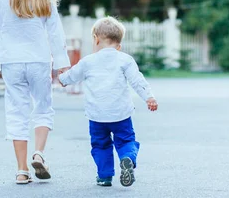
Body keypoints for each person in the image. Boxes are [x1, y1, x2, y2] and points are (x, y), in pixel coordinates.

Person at [0, 0, 71, 185]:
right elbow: (55, 33)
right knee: (43, 107)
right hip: (39, 60)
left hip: (11, 62)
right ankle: (39, 154)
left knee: (16, 111)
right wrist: (62, 64)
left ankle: (22, 170)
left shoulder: (4, 0)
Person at [58, 16, 159, 188]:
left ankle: (104, 177)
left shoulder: (88, 61)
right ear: (119, 45)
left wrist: (62, 77)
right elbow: (137, 81)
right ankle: (127, 158)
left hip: (97, 116)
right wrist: (149, 97)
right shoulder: (125, 60)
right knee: (126, 141)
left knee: (100, 145)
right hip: (121, 114)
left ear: (96, 39)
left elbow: (70, 77)